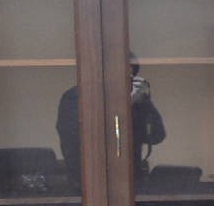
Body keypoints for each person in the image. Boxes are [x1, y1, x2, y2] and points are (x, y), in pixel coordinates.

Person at [56, 53, 167, 186]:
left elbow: (156, 136)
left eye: (129, 76)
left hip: (129, 181)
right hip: (88, 182)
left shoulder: (135, 101)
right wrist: (127, 104)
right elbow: (79, 138)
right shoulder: (76, 96)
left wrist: (145, 102)